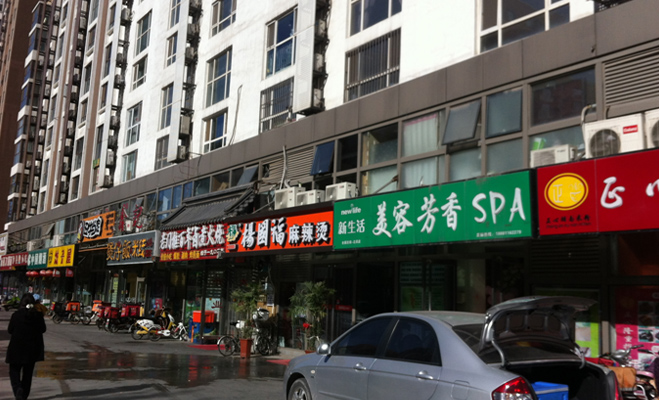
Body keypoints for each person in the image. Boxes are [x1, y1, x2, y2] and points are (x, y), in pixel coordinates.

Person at [5, 293, 46, 400]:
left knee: (14, 372)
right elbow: (43, 329)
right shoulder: (38, 316)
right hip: (32, 350)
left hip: (16, 349)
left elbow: (10, 330)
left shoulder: (16, 315)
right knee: (27, 374)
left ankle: (18, 389)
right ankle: (24, 396)